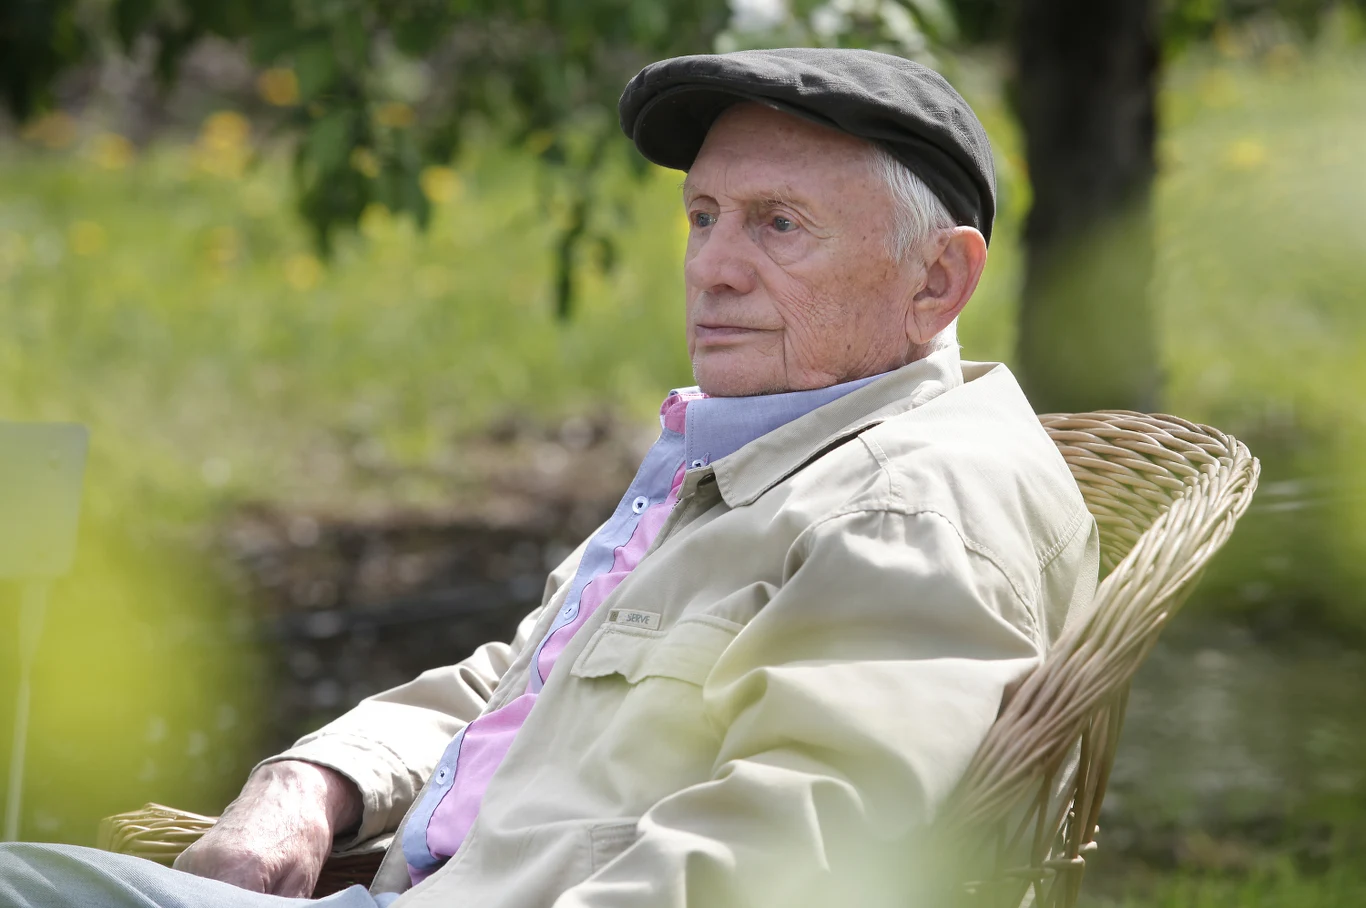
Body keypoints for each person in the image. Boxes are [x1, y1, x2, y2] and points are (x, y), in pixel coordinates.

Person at [0, 47, 1097, 908]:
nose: (713, 267)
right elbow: (520, 687)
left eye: (779, 225)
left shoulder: (908, 504)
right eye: (704, 216)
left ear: (936, 280)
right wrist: (313, 779)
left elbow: (786, 844)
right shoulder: (771, 452)